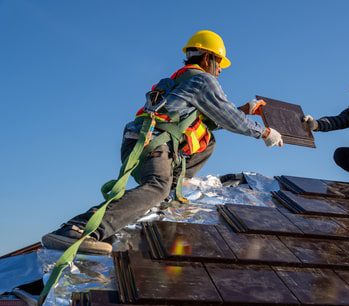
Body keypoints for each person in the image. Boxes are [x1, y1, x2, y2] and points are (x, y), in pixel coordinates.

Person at [42, 30, 283, 254]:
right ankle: (78, 230)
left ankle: (168, 190)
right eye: (219, 62)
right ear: (208, 57)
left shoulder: (179, 80)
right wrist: (262, 133)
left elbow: (211, 119)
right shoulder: (204, 81)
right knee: (157, 186)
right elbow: (229, 118)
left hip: (142, 140)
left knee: (207, 141)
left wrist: (244, 109)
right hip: (153, 143)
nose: (220, 69)